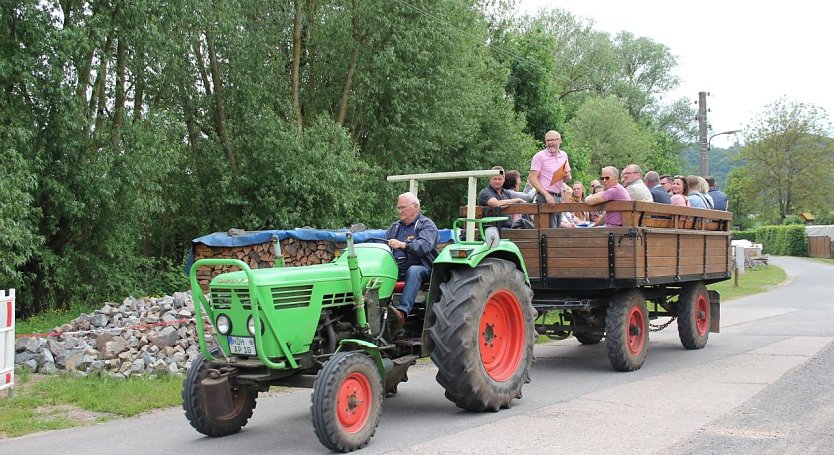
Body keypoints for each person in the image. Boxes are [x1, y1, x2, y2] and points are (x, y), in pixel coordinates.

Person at [385, 192, 439, 327]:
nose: (400, 211)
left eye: (402, 207)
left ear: (415, 207)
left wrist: (403, 245)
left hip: (424, 268)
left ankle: (402, 313)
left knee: (414, 271)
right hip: (398, 267)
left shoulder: (427, 225)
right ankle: (378, 311)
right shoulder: (395, 226)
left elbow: (424, 246)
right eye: (398, 208)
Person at [529, 130, 572, 227]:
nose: (550, 143)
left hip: (558, 196)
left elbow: (568, 175)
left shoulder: (564, 155)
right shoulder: (539, 156)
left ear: (559, 141)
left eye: (552, 140)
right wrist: (547, 195)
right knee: (548, 232)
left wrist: (567, 177)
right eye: (547, 141)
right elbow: (532, 178)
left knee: (556, 231)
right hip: (545, 197)